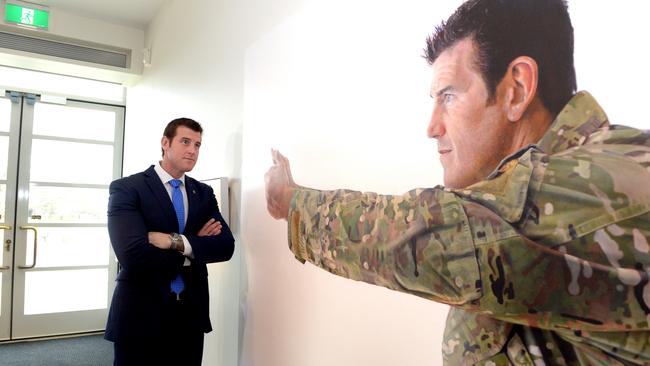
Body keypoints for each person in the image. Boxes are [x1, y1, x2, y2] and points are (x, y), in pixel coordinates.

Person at [264, 0, 650, 364]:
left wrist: (292, 201)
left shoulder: (606, 183)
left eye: (448, 96)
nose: (432, 127)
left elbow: (424, 232)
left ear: (517, 87)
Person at [105, 117, 235, 365]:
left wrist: (173, 241)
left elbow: (225, 247)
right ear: (165, 142)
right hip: (140, 312)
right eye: (185, 141)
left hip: (190, 313)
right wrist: (194, 247)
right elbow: (132, 255)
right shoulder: (127, 189)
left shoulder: (203, 193)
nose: (192, 150)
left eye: (197, 145)